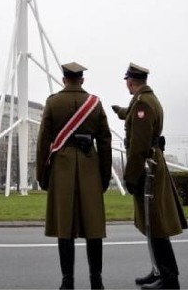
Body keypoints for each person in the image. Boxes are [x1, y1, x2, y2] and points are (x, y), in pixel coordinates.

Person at [37, 62, 112, 290]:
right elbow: (105, 142)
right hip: (90, 165)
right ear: (82, 80)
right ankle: (96, 280)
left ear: (63, 79)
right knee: (94, 227)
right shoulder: (95, 103)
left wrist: (43, 174)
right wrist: (104, 175)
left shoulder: (53, 102)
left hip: (62, 167)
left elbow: (43, 142)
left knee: (65, 226)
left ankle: (67, 281)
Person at [118, 63, 187, 289]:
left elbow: (139, 143)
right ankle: (159, 270)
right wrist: (121, 111)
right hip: (151, 164)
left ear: (130, 82)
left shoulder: (143, 103)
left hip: (148, 168)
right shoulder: (146, 99)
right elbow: (136, 117)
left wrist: (130, 176)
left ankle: (169, 278)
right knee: (151, 224)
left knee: (155, 224)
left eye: (127, 83)